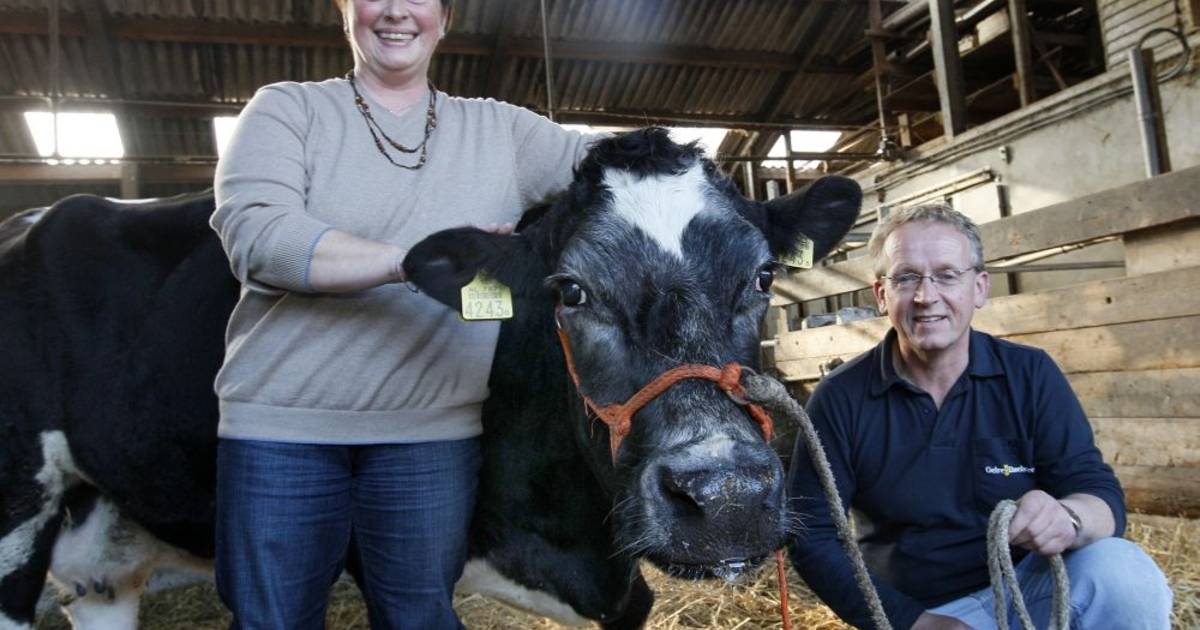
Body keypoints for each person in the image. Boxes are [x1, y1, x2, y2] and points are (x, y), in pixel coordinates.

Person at [209, 0, 594, 627]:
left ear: (444, 18)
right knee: (271, 621)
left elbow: (610, 164)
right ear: (346, 11)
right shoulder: (286, 110)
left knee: (420, 618)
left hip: (430, 439)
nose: (395, 12)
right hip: (284, 432)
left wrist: (669, 159)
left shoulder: (503, 131)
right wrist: (419, 263)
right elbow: (259, 238)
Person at [787, 203, 1172, 630]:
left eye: (947, 275)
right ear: (881, 295)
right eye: (906, 277)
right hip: (917, 611)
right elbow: (812, 534)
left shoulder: (1029, 373)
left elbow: (1097, 491)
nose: (926, 296)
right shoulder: (840, 397)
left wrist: (1069, 518)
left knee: (1123, 572)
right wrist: (918, 623)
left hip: (1029, 591)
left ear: (980, 288)